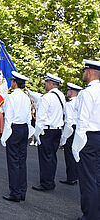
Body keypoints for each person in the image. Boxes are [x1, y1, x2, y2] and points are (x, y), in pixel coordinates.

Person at [71, 60, 100, 220]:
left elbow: (82, 121)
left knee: (88, 179)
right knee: (97, 178)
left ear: (89, 72)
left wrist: (76, 147)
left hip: (89, 138)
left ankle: (89, 216)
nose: (83, 73)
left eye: (84, 70)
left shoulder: (87, 93)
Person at [30, 73, 66, 191]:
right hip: (57, 130)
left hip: (47, 131)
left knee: (45, 157)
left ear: (50, 84)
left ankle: (46, 183)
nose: (45, 85)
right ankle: (50, 181)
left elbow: (41, 117)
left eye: (46, 83)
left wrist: (37, 133)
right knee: (52, 157)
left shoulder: (47, 97)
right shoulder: (61, 96)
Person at [1, 71, 32, 202]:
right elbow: (29, 116)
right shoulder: (26, 97)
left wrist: (5, 135)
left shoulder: (11, 97)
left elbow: (8, 117)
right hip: (24, 128)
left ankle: (15, 193)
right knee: (21, 161)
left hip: (14, 128)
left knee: (13, 162)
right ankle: (22, 191)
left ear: (14, 83)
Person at [59, 83, 82, 185]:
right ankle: (76, 175)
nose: (67, 92)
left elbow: (68, 121)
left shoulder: (69, 104)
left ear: (71, 92)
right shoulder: (80, 102)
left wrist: (64, 138)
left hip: (71, 129)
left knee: (69, 154)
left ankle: (71, 177)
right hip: (78, 129)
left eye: (68, 90)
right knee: (76, 152)